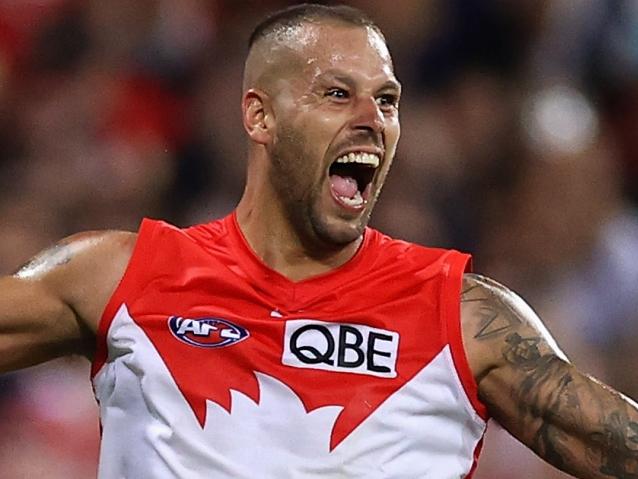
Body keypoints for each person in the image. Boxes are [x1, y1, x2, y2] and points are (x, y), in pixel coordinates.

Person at [1, 3, 637, 478]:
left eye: (387, 101)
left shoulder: (463, 318)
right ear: (260, 115)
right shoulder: (121, 277)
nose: (373, 120)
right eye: (337, 94)